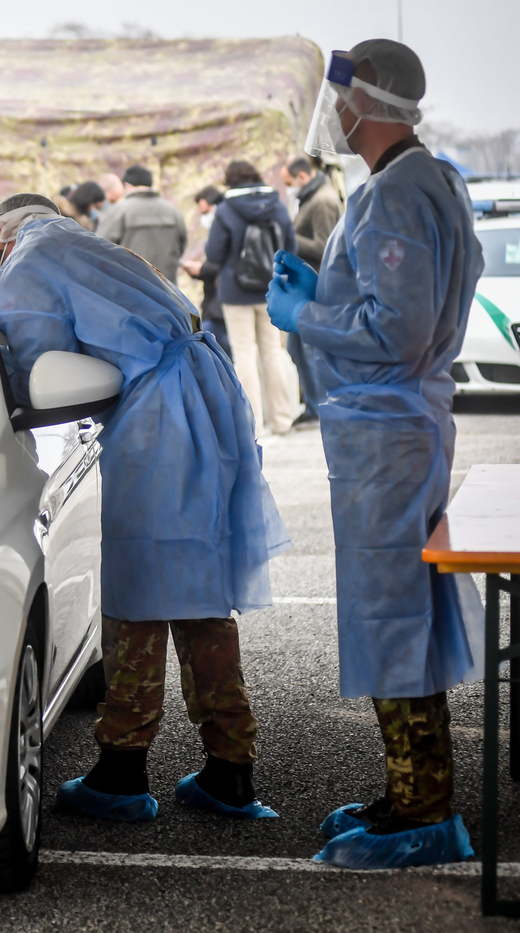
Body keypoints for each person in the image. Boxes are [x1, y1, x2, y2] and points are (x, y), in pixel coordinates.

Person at [0, 193, 289, 824]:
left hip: (159, 419)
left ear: (2, 236)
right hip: (203, 398)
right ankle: (231, 768)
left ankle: (121, 770)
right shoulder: (86, 244)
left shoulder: (26, 263)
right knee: (201, 587)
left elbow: (34, 372)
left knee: (139, 591)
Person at [267, 39, 482, 870]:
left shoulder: (395, 192)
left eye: (342, 98)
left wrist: (304, 316)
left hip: (388, 434)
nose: (335, 113)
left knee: (392, 620)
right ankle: (409, 791)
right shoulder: (431, 180)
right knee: (399, 616)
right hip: (396, 428)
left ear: (368, 104)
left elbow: (397, 329)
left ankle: (424, 813)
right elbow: (395, 305)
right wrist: (321, 287)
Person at [206, 160, 300, 437]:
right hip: (272, 289)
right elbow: (291, 247)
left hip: (236, 292)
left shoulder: (225, 209)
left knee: (244, 354)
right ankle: (282, 419)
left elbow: (213, 254)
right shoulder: (277, 205)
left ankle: (254, 423)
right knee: (272, 351)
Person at [280, 156, 343, 427]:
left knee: (309, 349)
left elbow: (324, 246)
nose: (289, 189)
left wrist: (288, 238)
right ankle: (311, 405)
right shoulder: (310, 199)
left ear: (302, 177)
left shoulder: (323, 201)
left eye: (288, 183)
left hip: (317, 287)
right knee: (295, 347)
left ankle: (320, 408)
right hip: (304, 287)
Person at [95, 165, 187, 284]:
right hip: (167, 287)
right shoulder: (174, 212)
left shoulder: (118, 211)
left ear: (127, 185)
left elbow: (99, 248)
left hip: (130, 287)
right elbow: (181, 246)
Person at [180, 186, 232, 360]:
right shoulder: (218, 229)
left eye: (206, 212)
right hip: (214, 302)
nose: (205, 217)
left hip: (222, 305)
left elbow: (223, 264)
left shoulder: (228, 226)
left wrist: (201, 269)